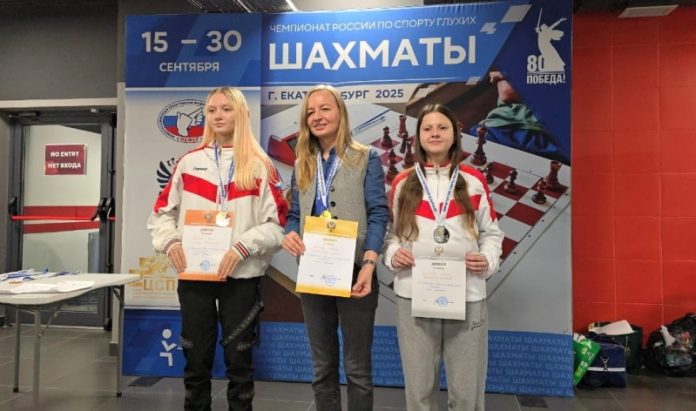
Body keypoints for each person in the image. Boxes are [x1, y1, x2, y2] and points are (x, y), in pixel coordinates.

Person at [147, 87, 287, 411]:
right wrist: (171, 241)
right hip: (195, 276)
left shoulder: (260, 166)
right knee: (195, 359)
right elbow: (160, 215)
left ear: (241, 114)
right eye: (211, 110)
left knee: (240, 360)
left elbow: (277, 225)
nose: (218, 116)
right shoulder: (188, 163)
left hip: (242, 276)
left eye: (226, 109)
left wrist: (242, 246)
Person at [384, 104, 503, 411]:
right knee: (419, 391)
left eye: (442, 127)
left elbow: (492, 234)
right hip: (414, 294)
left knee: (466, 392)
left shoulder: (474, 180)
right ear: (418, 137)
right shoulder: (402, 182)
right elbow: (390, 235)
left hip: (467, 294)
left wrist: (487, 260)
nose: (434, 133)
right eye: (427, 128)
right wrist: (394, 254)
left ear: (455, 135)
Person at [281, 84, 389, 410]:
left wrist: (369, 264)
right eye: (310, 112)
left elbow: (378, 213)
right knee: (322, 367)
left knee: (357, 368)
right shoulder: (303, 162)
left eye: (325, 108)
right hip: (314, 271)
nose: (317, 116)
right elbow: (295, 214)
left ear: (340, 112)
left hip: (356, 271)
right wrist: (290, 232)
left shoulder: (366, 157)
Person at [472, 70, 570, 164]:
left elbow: (508, 92)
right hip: (502, 128)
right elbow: (507, 92)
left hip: (542, 136)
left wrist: (508, 74)